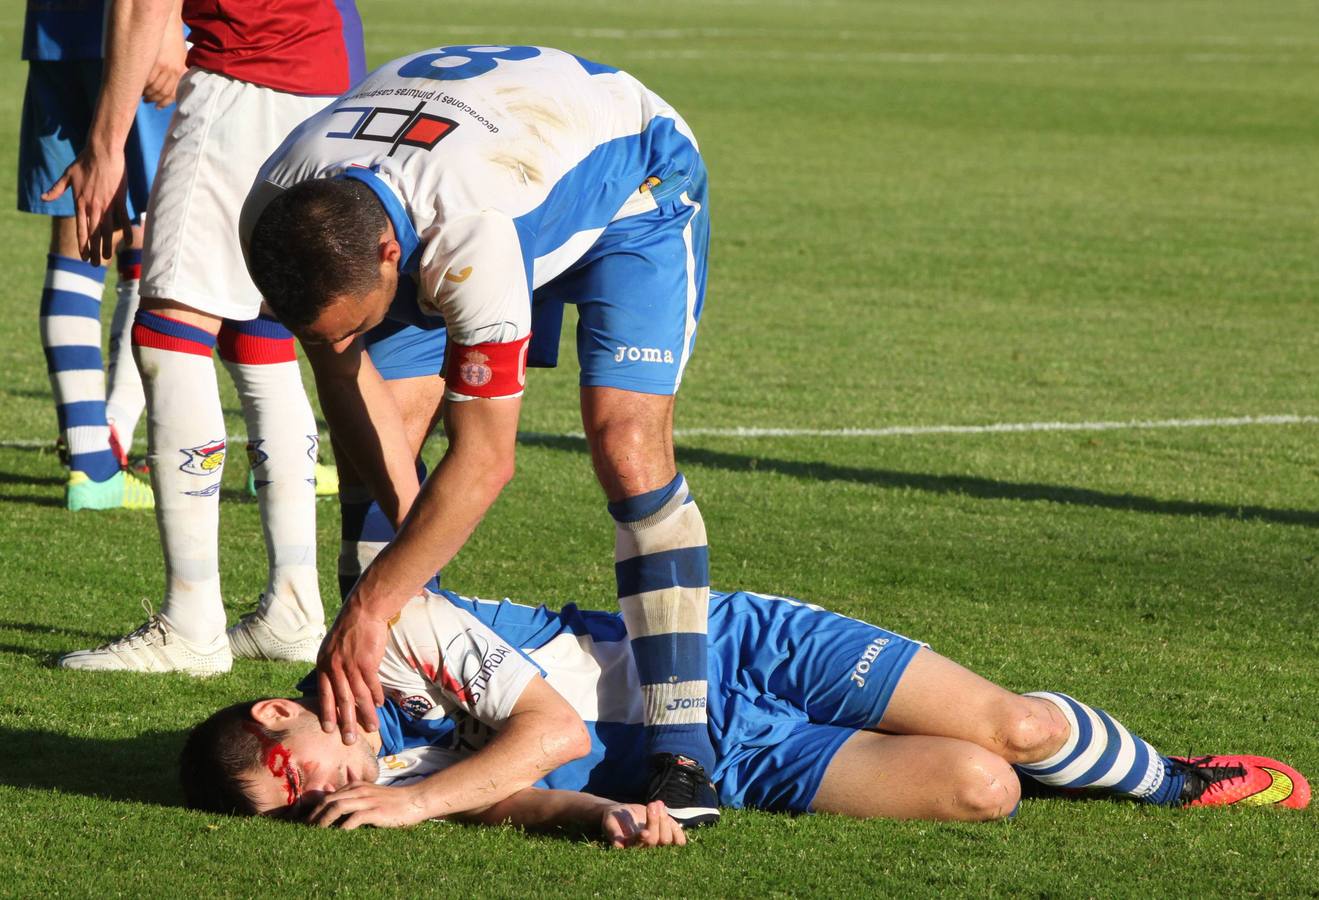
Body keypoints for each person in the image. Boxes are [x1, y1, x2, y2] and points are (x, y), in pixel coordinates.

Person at [240, 44, 721, 821]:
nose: (335, 342)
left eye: (351, 324)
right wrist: (399, 592)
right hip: (473, 170)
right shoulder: (275, 212)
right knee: (380, 438)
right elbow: (339, 369)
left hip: (631, 182)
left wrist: (371, 606)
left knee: (625, 445)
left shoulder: (471, 239)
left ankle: (683, 751)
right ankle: (390, 704)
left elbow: (486, 460)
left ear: (392, 259)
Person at [179, 586, 1310, 841]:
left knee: (1014, 729)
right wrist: (598, 821)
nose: (330, 792)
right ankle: (1072, 766)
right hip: (718, 757)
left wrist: (416, 802)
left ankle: (1168, 776)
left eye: (299, 774)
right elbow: (526, 792)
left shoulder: (398, 623)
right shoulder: (404, 780)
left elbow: (551, 732)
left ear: (284, 712)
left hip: (722, 647)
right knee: (984, 787)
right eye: (299, 810)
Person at [46, 0, 366, 673]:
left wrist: (105, 146)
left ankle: (191, 624)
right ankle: (293, 609)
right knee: (260, 330)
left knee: (169, 332)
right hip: (323, 83)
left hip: (246, 76)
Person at [19, 0, 181, 510]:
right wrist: (171, 24)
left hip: (55, 31)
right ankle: (110, 436)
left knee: (79, 236)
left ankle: (94, 459)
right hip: (134, 34)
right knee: (152, 232)